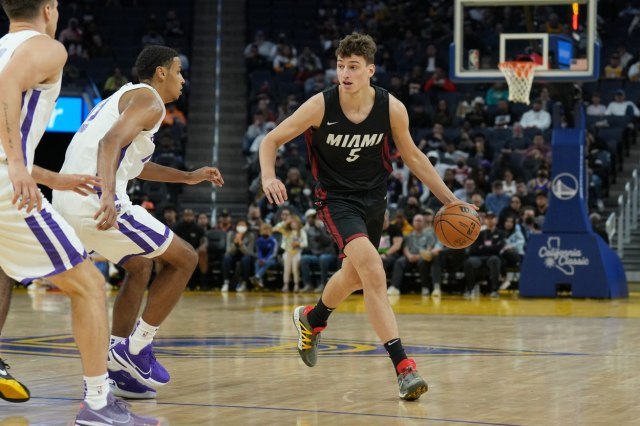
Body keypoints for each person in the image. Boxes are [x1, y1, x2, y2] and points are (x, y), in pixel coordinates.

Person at [259, 33, 473, 401]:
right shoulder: (320, 106)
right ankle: (404, 367)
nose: (344, 73)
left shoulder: (391, 108)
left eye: (353, 67)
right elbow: (270, 140)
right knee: (373, 269)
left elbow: (414, 156)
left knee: (355, 275)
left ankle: (313, 318)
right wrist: (268, 176)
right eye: (340, 66)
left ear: (370, 71)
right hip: (335, 199)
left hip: (374, 198)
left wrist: (452, 201)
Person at [0, 0, 154, 422]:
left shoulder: (3, 48)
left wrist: (51, 178)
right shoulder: (45, 47)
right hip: (6, 188)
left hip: (10, 175)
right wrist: (17, 165)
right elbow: (7, 88)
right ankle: (98, 404)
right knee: (88, 285)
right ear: (49, 9)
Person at [52, 45, 224, 399]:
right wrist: (107, 194)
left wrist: (188, 176)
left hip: (71, 196)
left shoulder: (127, 99)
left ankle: (116, 362)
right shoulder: (150, 101)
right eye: (178, 71)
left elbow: (134, 165)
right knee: (185, 258)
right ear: (161, 72)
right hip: (94, 196)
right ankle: (136, 348)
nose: (182, 79)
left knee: (140, 266)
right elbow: (109, 143)